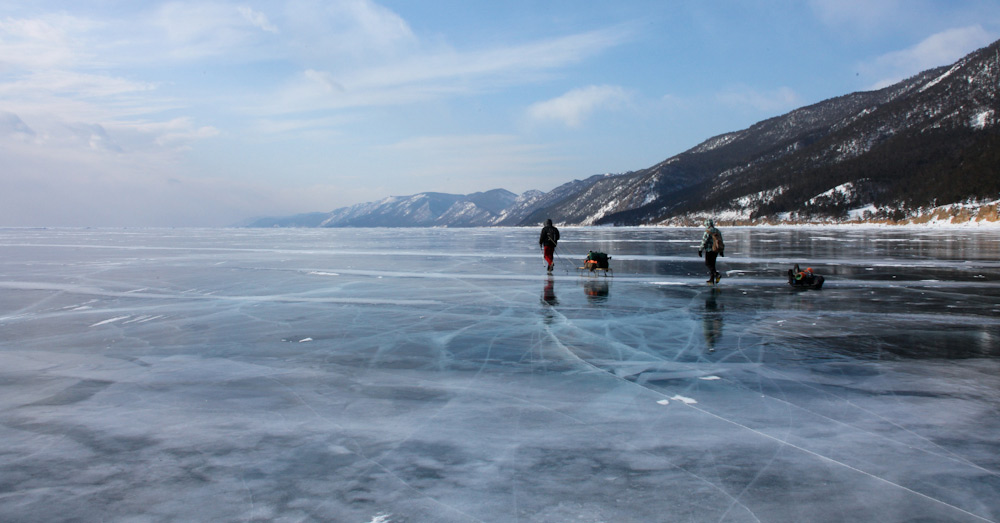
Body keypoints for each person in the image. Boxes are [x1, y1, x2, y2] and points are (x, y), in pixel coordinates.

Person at [697, 219, 724, 283]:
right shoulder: (717, 231)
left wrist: (700, 250)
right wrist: (721, 251)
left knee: (708, 263)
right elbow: (721, 241)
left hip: (709, 250)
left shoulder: (707, 231)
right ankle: (712, 279)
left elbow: (704, 241)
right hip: (716, 250)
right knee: (713, 264)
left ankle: (716, 274)